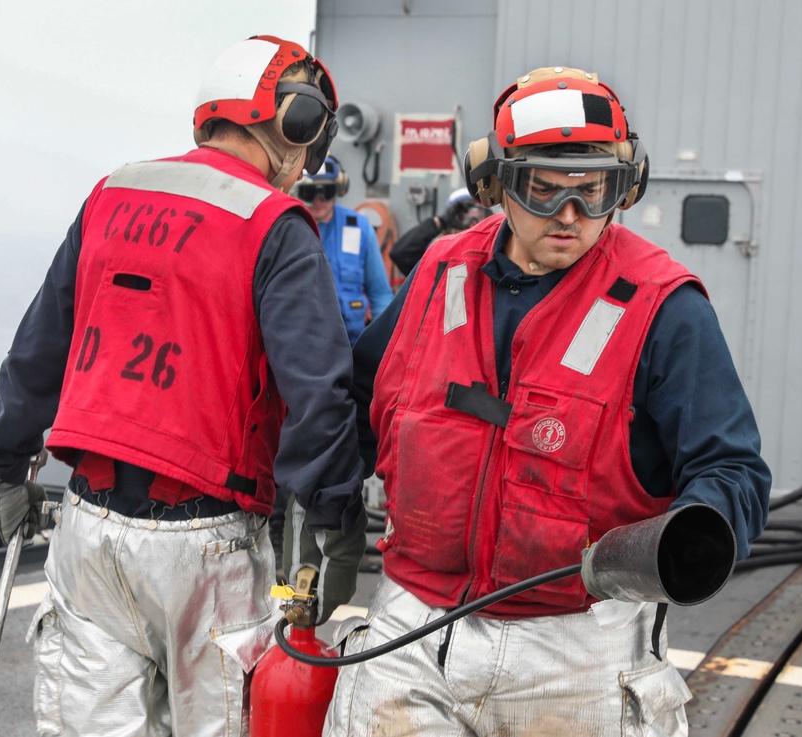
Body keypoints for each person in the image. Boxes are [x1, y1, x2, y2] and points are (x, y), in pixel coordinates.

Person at [325, 66, 771, 736]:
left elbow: (733, 469)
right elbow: (357, 399)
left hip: (576, 648)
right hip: (411, 629)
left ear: (625, 186)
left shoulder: (663, 308)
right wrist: (318, 515)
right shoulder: (439, 273)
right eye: (544, 188)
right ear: (497, 182)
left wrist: (690, 536)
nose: (571, 216)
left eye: (594, 192)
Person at [0, 35, 367, 737]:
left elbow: (38, 350)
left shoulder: (113, 194)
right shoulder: (274, 225)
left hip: (86, 533)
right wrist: (332, 522)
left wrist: (0, 460)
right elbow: (320, 390)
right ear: (293, 122)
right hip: (206, 545)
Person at [291, 154, 394, 343]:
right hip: (302, 344)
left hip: (351, 344)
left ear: (339, 189)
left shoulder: (359, 228)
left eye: (327, 191)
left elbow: (380, 293)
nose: (319, 200)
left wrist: (382, 344)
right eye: (310, 192)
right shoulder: (288, 229)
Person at [388, 186, 492, 275]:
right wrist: (441, 221)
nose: (472, 222)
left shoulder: (493, 252)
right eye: (463, 216)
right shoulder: (439, 256)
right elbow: (400, 254)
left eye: (478, 215)